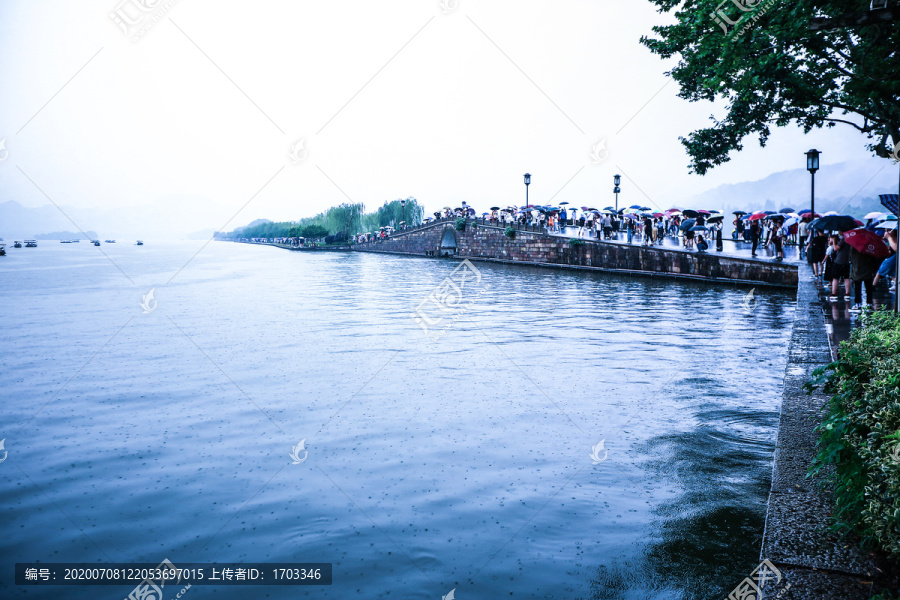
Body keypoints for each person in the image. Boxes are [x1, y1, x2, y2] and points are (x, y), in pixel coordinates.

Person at [848, 245, 878, 312]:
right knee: (868, 288)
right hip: (868, 269)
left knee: (857, 287)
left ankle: (858, 304)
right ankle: (869, 304)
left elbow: (850, 258)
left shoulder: (854, 245)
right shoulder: (870, 245)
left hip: (857, 269)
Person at [828, 234, 852, 300]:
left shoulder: (844, 239)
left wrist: (834, 241)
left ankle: (834, 293)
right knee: (846, 277)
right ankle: (847, 293)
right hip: (846, 261)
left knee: (835, 278)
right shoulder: (849, 239)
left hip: (839, 261)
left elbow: (836, 248)